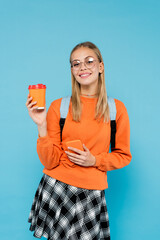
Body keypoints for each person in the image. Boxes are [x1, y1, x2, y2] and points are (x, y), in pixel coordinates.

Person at [26, 41, 132, 240]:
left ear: (101, 67)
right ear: (72, 70)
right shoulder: (60, 106)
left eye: (89, 61)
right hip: (56, 187)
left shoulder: (116, 109)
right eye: (76, 63)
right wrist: (40, 125)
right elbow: (50, 161)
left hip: (91, 193)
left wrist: (95, 161)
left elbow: (123, 156)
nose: (82, 67)